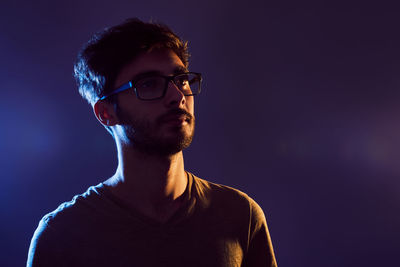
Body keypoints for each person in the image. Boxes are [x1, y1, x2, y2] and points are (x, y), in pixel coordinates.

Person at [27, 18, 277, 267]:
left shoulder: (239, 216)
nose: (177, 96)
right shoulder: (62, 235)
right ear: (106, 113)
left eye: (181, 80)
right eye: (148, 84)